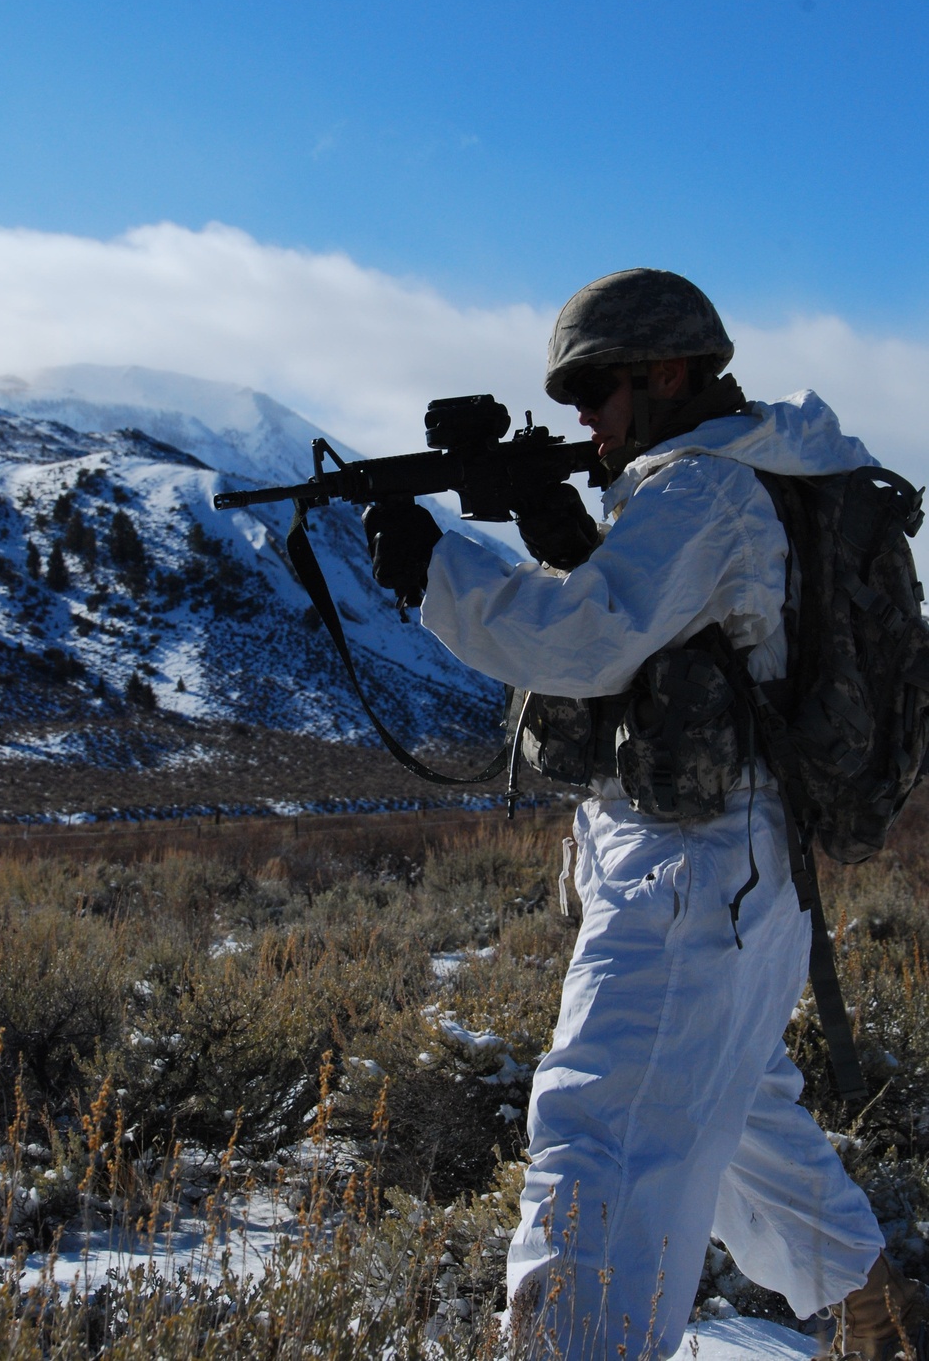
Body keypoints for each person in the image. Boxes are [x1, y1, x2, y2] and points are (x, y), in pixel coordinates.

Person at [363, 268, 928, 1360]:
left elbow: (585, 640)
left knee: (600, 1143)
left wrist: (436, 569)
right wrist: (554, 521)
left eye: (597, 390)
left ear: (667, 372)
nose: (583, 417)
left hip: (690, 873)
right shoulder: (741, 476)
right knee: (740, 1117)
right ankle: (878, 1314)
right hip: (737, 878)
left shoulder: (701, 490)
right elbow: (685, 638)